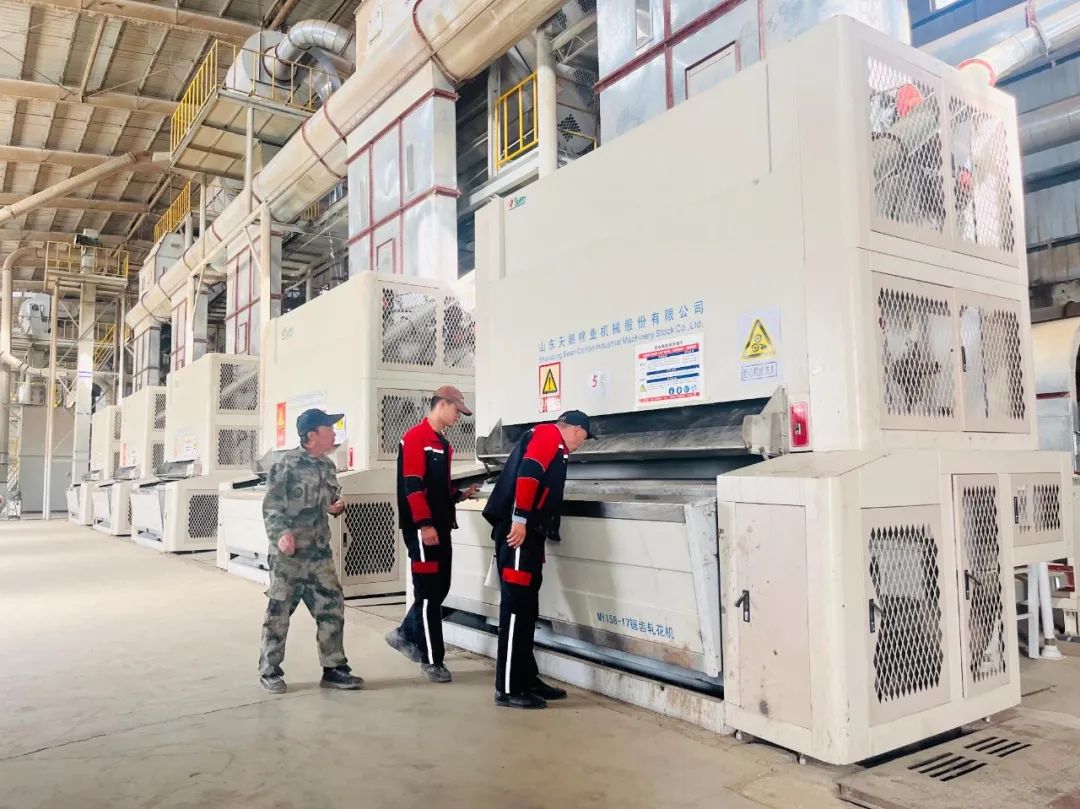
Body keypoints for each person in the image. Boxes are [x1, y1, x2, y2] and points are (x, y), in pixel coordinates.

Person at [482, 410, 594, 709]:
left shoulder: (554, 444)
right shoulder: (547, 435)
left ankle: (526, 678)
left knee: (527, 609)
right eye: (584, 437)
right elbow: (529, 474)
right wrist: (520, 520)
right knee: (516, 608)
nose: (582, 443)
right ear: (576, 430)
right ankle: (508, 688)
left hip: (529, 536)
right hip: (518, 535)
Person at [257, 408, 365, 693]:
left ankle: (334, 668)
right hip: (289, 556)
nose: (333, 433)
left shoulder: (327, 466)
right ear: (312, 435)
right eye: (328, 428)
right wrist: (281, 535)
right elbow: (272, 507)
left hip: (319, 553)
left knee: (332, 606)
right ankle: (269, 669)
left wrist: (335, 507)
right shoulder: (286, 465)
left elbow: (329, 500)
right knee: (279, 612)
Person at [386, 385, 480, 682]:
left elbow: (436, 486)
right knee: (428, 594)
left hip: (440, 528)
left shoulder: (441, 443)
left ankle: (404, 634)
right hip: (423, 530)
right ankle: (431, 660)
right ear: (442, 405)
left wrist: (459, 495)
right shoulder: (417, 438)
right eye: (457, 411)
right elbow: (413, 486)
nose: (458, 417)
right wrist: (424, 525)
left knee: (439, 589)